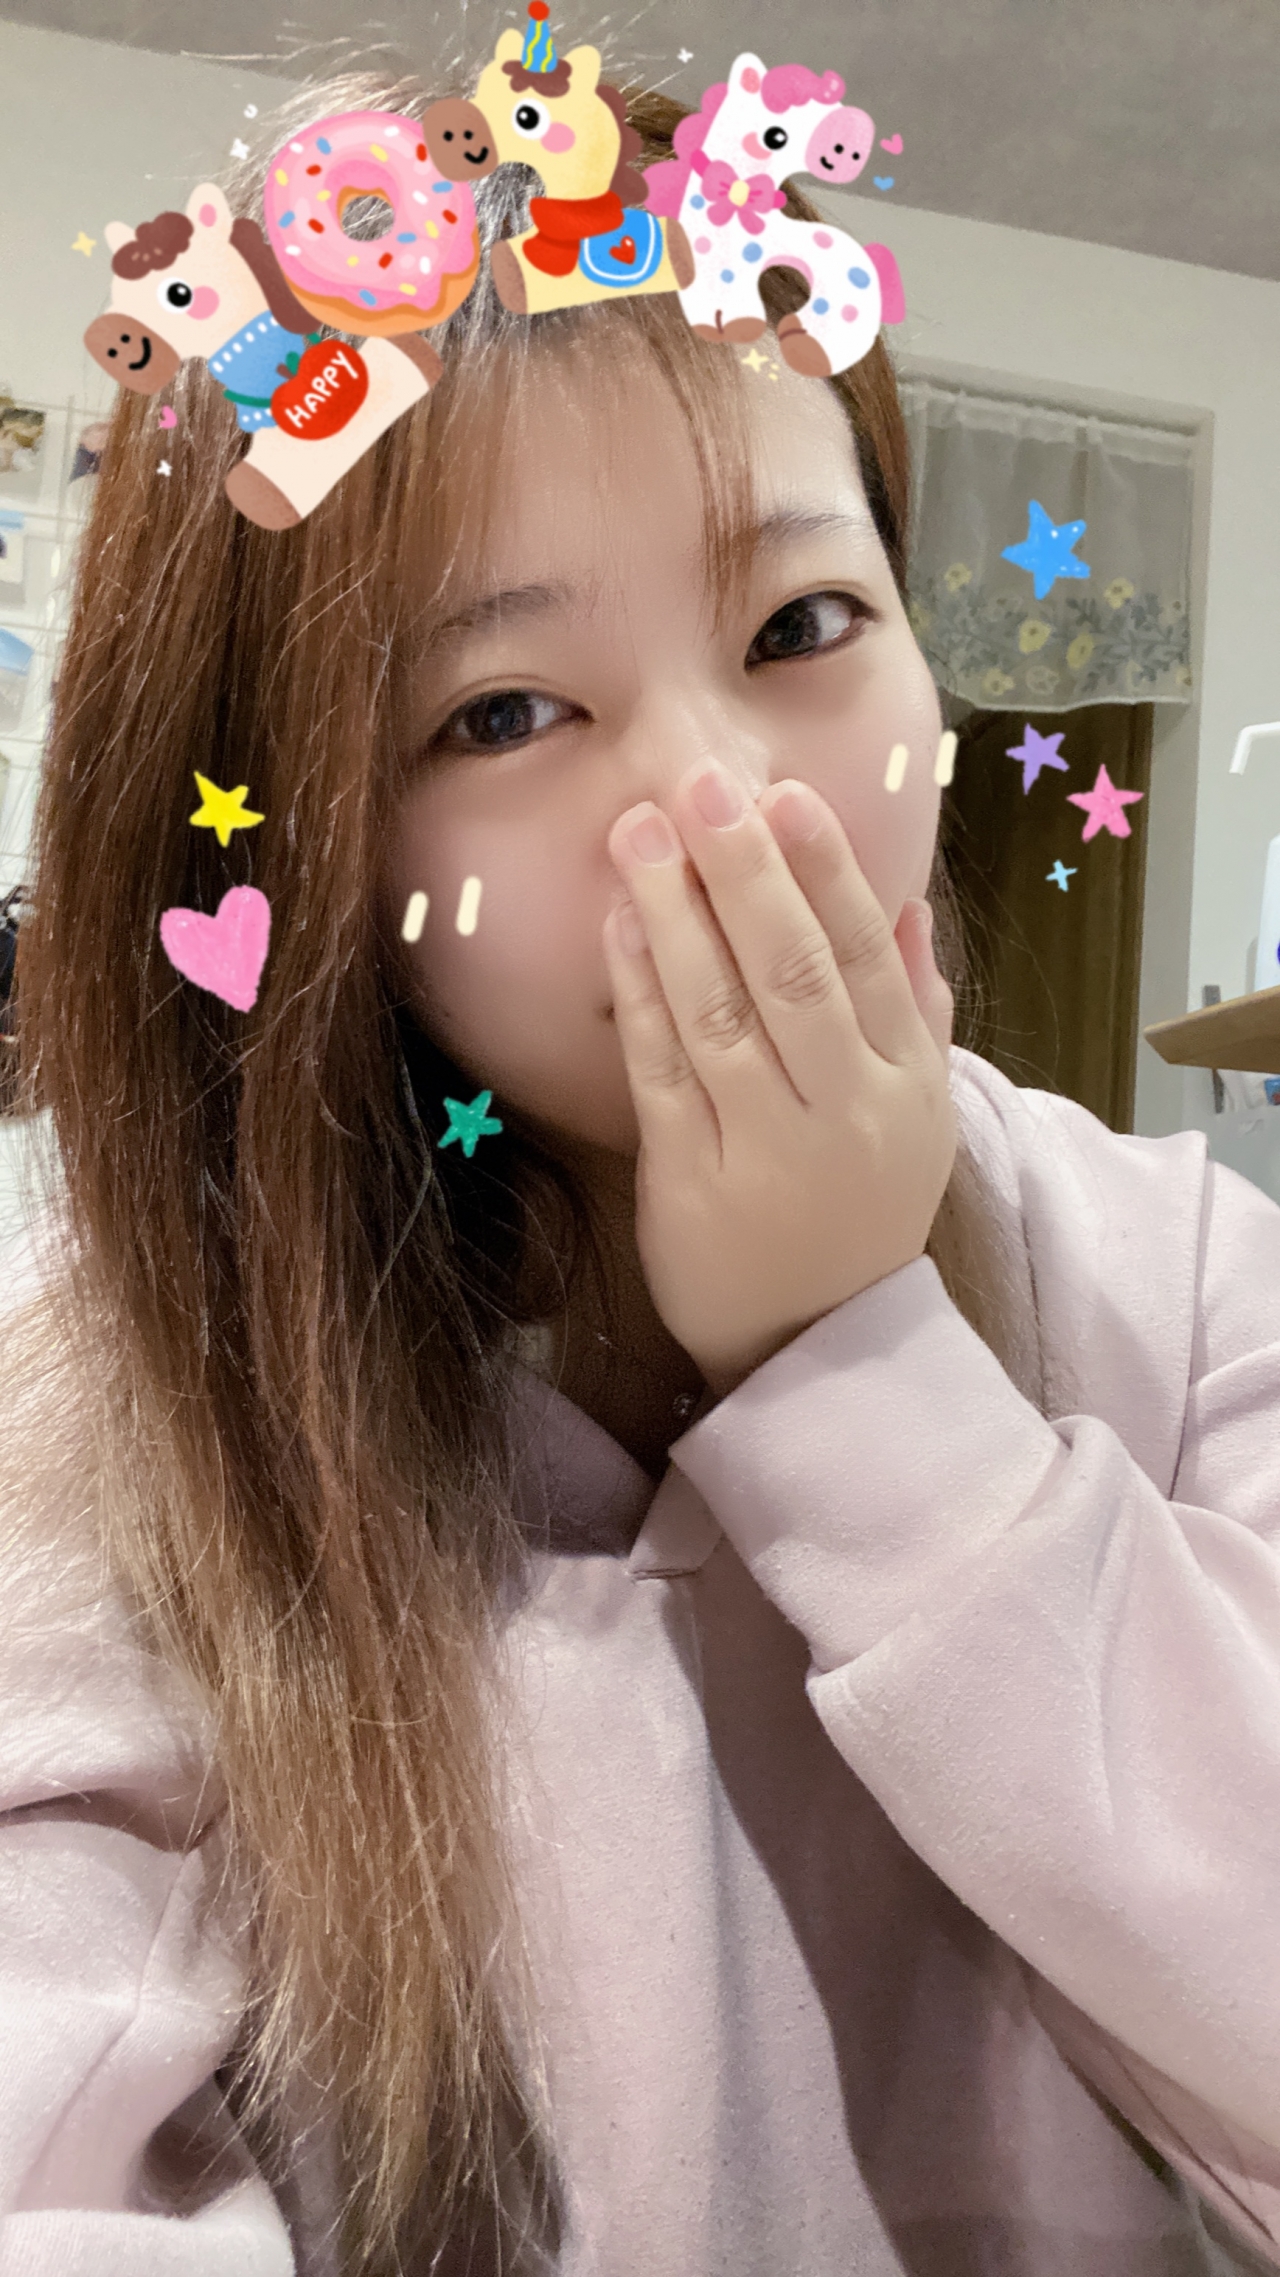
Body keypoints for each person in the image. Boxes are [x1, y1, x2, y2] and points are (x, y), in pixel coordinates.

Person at [3, 61, 1280, 2277]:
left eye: (800, 627)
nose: (726, 803)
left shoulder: (1171, 1277)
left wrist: (867, 1382)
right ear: (294, 839)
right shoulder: (109, 1438)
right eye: (502, 713)